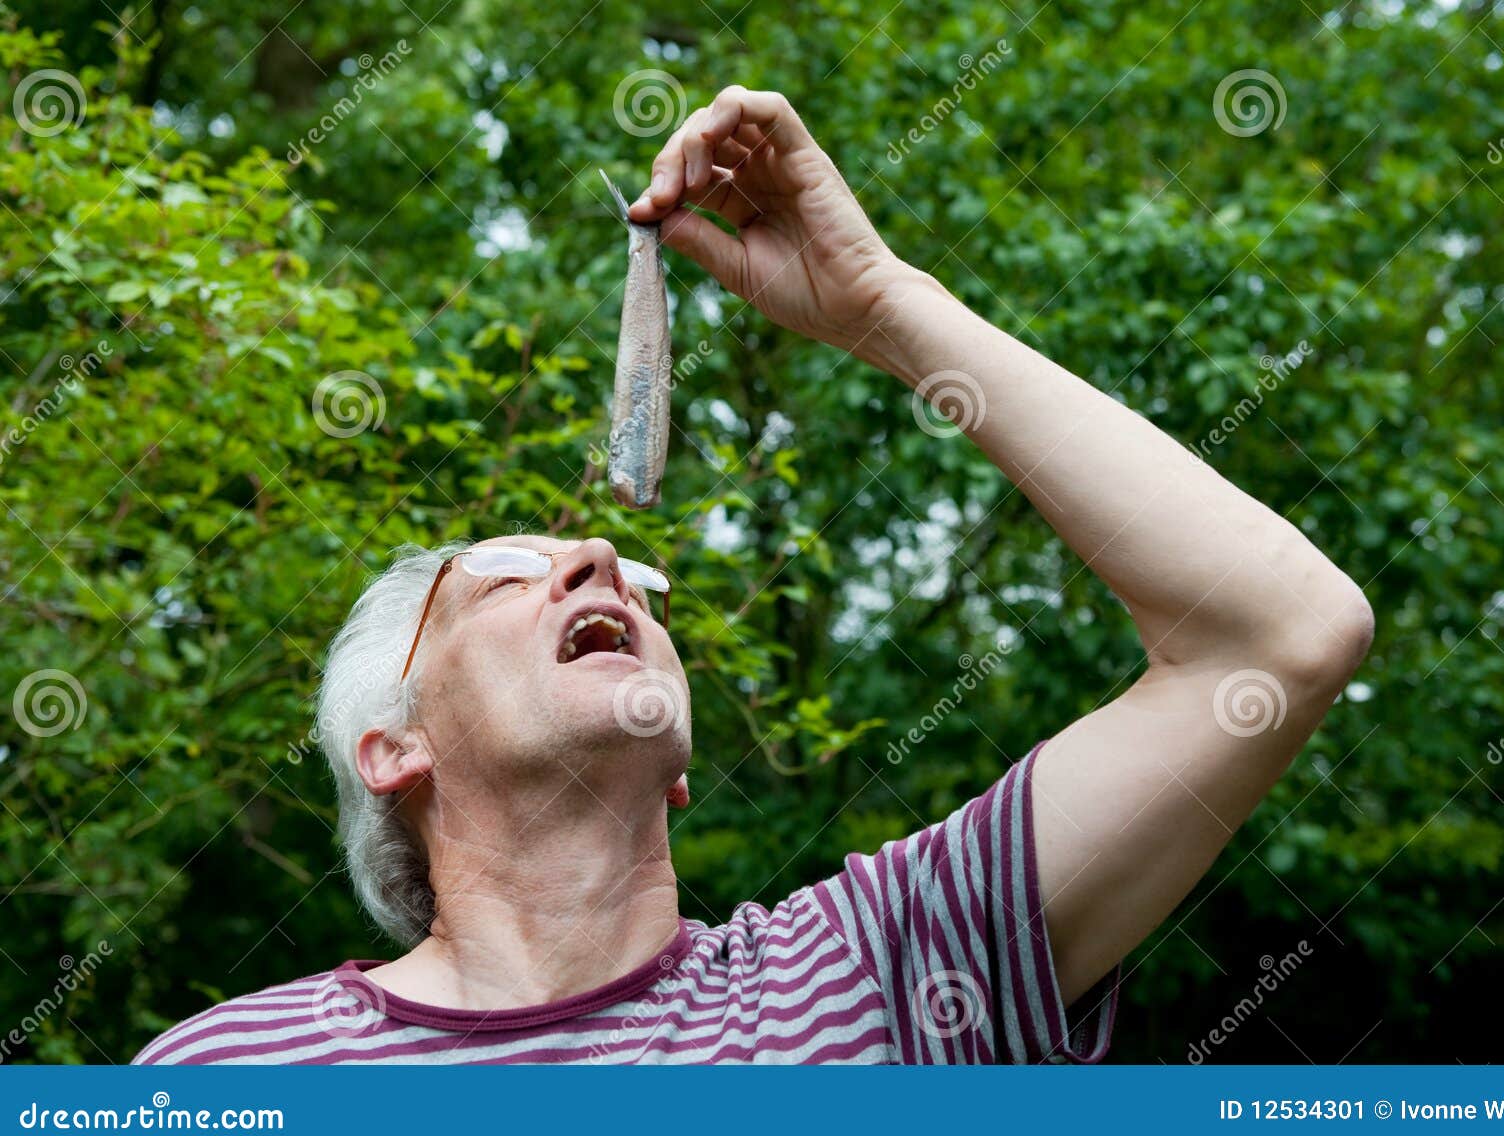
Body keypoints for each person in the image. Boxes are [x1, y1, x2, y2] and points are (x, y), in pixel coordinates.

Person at [133, 87, 1372, 1065]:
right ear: (394, 750)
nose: (598, 557)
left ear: (678, 776)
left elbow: (1277, 636)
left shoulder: (884, 970)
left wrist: (885, 306)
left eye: (631, 587)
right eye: (504, 578)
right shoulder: (228, 1076)